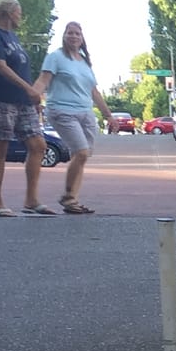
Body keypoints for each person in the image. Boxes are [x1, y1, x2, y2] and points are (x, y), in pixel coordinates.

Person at [34, 21, 113, 214]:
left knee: (81, 156)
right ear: (64, 36)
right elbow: (43, 80)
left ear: (82, 38)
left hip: (85, 112)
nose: (74, 36)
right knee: (82, 152)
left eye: (77, 33)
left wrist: (108, 115)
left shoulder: (84, 62)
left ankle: (73, 200)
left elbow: (94, 91)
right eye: (70, 33)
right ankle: (68, 196)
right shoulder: (55, 57)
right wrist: (33, 97)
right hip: (62, 111)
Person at [0, 0, 47, 215]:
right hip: (1, 99)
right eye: (19, 12)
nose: (21, 16)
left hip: (23, 101)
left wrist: (32, 97)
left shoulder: (13, 37)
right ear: (8, 13)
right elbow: (0, 66)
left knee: (38, 145)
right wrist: (29, 88)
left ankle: (31, 200)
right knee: (1, 147)